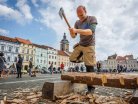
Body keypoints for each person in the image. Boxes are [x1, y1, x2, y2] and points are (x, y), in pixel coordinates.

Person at [69, 5, 98, 94]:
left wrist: (76, 30)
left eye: (81, 15)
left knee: (89, 67)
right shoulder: (77, 22)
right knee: (72, 58)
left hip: (89, 45)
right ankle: (83, 58)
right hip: (81, 44)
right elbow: (74, 36)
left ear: (85, 11)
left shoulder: (92, 19)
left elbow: (90, 32)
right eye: (78, 16)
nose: (80, 18)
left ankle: (91, 89)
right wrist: (72, 32)